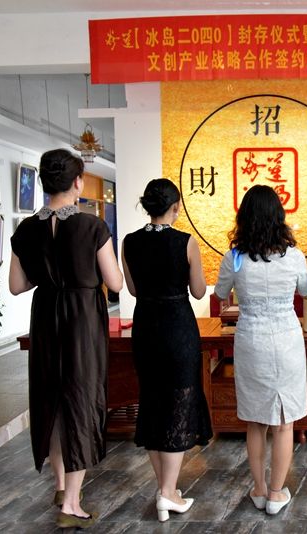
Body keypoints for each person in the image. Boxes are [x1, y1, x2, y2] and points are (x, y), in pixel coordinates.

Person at [9, 148, 123, 529]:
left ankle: (60, 486)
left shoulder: (26, 230)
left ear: (45, 183)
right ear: (77, 182)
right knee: (82, 402)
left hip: (45, 318)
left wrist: (48, 275)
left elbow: (16, 285)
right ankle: (72, 504)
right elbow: (115, 282)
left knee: (53, 401)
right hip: (82, 321)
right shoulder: (92, 227)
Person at [214, 185, 307, 516]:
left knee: (255, 421)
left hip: (251, 340)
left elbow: (220, 293)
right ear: (278, 217)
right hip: (286, 339)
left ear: (244, 217)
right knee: (284, 422)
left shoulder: (235, 257)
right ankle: (275, 493)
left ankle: (257, 489)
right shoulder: (294, 255)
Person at [121, 179, 213, 522]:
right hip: (177, 327)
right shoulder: (185, 241)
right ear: (175, 207)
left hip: (145, 326)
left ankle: (167, 490)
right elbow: (199, 291)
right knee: (179, 404)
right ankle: (167, 493)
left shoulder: (129, 242)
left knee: (152, 402)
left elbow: (132, 289)